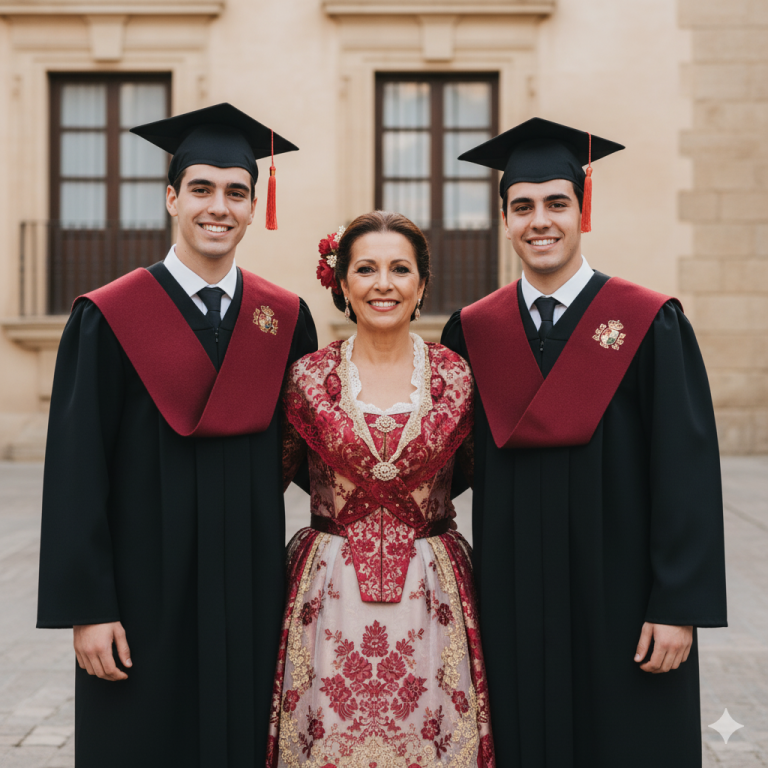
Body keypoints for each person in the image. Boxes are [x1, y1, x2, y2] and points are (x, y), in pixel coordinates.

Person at [37, 103, 317, 768]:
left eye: (236, 192)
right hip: (140, 598)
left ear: (254, 207)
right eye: (201, 189)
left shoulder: (285, 320)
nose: (217, 207)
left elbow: (317, 455)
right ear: (171, 198)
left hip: (249, 591)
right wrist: (88, 608)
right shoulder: (108, 317)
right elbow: (77, 472)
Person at [441, 118, 727, 767]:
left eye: (556, 204)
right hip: (514, 601)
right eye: (523, 207)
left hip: (625, 605)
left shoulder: (648, 323)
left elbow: (685, 471)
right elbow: (444, 464)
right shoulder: (473, 331)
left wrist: (677, 605)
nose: (540, 221)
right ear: (505, 217)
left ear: (581, 209)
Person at [268, 211, 494, 767]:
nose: (383, 284)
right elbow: (271, 476)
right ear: (343, 284)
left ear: (421, 283)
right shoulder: (307, 377)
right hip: (330, 590)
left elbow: (479, 476)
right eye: (366, 269)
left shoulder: (458, 376)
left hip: (431, 590)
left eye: (400, 269)